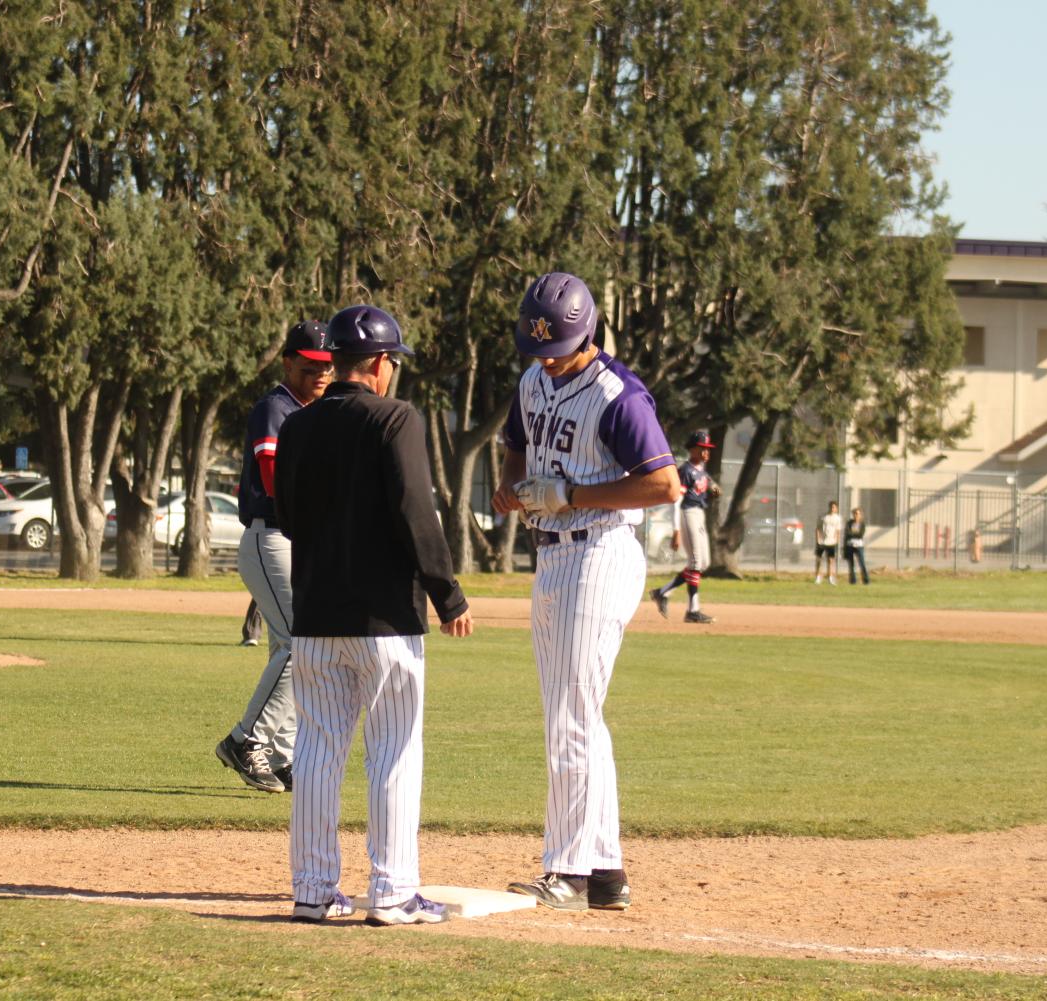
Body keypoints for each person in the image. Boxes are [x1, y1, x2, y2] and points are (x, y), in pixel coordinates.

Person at [276, 304, 473, 926]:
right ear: (383, 365)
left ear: (335, 360)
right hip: (386, 619)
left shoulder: (299, 425)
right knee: (393, 750)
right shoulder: (397, 418)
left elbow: (286, 517)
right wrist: (448, 594)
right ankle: (391, 892)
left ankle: (311, 890)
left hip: (314, 613)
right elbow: (417, 513)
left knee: (316, 750)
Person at [493, 272, 682, 912]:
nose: (546, 356)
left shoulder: (616, 395)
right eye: (538, 345)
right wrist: (511, 485)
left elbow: (664, 486)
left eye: (558, 345)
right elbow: (517, 446)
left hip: (598, 551)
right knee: (577, 716)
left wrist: (572, 494)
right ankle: (604, 870)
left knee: (570, 717)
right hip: (550, 556)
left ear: (587, 333)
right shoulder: (532, 380)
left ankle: (568, 868)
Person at [214, 320, 334, 795]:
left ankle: (281, 754)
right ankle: (247, 740)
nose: (320, 376)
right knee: (300, 644)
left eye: (327, 367)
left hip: (297, 541)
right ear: (288, 362)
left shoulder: (313, 412)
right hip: (272, 538)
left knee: (287, 648)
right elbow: (271, 479)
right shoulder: (276, 407)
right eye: (310, 367)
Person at [649, 430, 719, 623]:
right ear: (693, 449)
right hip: (688, 514)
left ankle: (662, 592)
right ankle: (692, 610)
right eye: (702, 448)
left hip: (699, 514)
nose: (706, 452)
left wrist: (713, 490)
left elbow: (707, 487)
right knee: (696, 563)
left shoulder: (701, 470)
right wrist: (676, 530)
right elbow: (676, 501)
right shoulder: (685, 471)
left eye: (707, 449)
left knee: (702, 564)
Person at [814, 499, 842, 585]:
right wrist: (818, 539)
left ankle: (830, 577)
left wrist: (837, 540)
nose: (832, 509)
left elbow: (838, 531)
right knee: (819, 559)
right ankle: (818, 576)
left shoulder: (837, 518)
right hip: (822, 541)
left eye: (834, 507)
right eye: (831, 507)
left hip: (831, 542)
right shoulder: (823, 517)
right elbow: (818, 528)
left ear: (836, 508)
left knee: (831, 560)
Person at [843, 506, 869, 585]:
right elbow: (847, 533)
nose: (856, 515)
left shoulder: (862, 524)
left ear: (860, 515)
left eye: (857, 514)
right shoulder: (849, 523)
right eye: (854, 514)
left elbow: (860, 535)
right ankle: (852, 581)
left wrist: (852, 533)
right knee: (851, 564)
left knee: (862, 563)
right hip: (850, 545)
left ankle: (866, 580)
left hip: (859, 546)